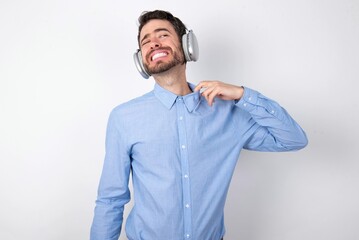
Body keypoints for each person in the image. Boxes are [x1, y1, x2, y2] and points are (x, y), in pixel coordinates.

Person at [90, 9, 308, 240]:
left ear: (187, 46)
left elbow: (293, 139)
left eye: (162, 35)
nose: (153, 43)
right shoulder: (124, 118)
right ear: (141, 59)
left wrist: (242, 95)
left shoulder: (229, 113)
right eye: (145, 41)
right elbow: (111, 199)